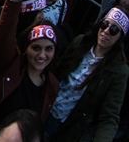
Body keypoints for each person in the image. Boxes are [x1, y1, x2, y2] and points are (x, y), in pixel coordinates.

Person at [45, 7, 129, 141]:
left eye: (114, 30)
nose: (106, 31)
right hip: (45, 107)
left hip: (65, 125)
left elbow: (109, 116)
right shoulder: (80, 42)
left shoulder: (119, 70)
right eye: (105, 24)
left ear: (120, 37)